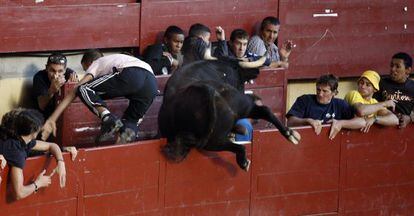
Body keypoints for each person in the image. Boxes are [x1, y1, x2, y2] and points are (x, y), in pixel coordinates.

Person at [41, 50, 158, 144]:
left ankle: (108, 118)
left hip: (132, 74)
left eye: (86, 69)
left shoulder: (97, 62)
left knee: (84, 88)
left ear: (90, 63)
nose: (87, 72)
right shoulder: (117, 61)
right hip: (151, 83)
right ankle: (120, 153)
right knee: (130, 124)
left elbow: (77, 89)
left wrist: (52, 119)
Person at [0, 108, 77, 200]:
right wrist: (38, 184)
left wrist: (61, 162)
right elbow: (19, 193)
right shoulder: (17, 152)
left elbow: (51, 146)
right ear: (33, 133)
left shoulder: (14, 136)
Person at [286, 74, 366, 139]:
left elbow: (362, 122)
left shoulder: (340, 104)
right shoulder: (304, 100)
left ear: (334, 93)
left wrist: (341, 123)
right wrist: (307, 120)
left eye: (325, 91)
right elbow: (290, 122)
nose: (320, 94)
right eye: (318, 90)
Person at [374, 52, 414, 128]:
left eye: (397, 66)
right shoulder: (382, 83)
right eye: (392, 66)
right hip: (382, 124)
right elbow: (372, 103)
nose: (393, 69)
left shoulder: (412, 87)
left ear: (408, 70)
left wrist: (409, 118)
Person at [32, 53, 78, 119]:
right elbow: (41, 106)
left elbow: (76, 104)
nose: (55, 75)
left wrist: (68, 88)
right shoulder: (39, 77)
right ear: (46, 68)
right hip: (44, 117)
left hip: (64, 115)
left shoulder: (70, 75)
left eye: (60, 71)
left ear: (65, 70)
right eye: (52, 71)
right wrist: (51, 90)